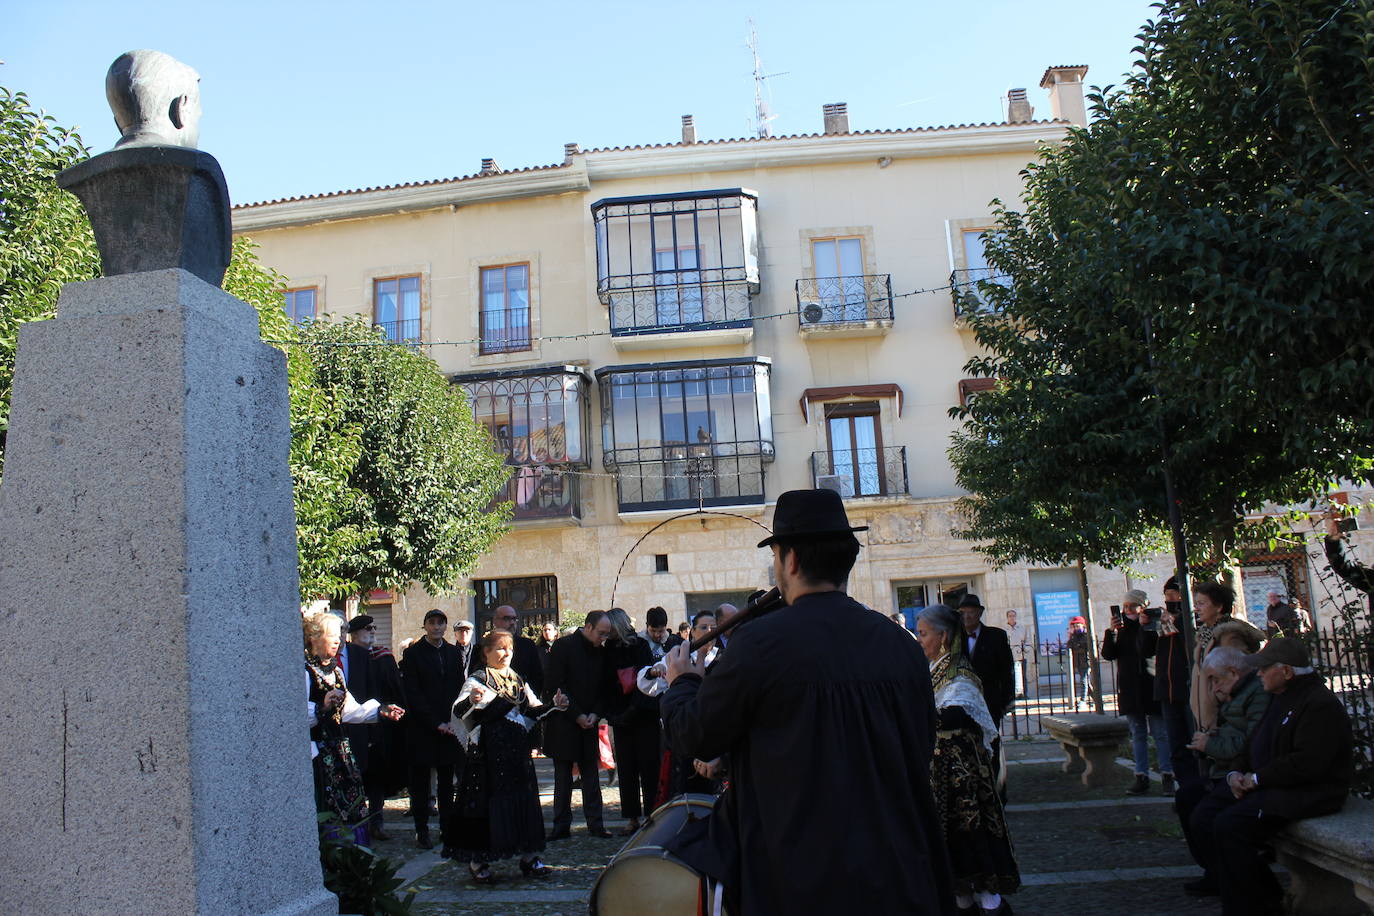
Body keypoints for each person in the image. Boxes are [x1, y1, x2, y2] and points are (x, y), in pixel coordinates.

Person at [661, 488, 952, 915]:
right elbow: (922, 744)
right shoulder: (901, 645)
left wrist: (683, 684)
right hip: (895, 867)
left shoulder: (758, 644)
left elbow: (694, 735)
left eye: (776, 556)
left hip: (795, 873)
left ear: (791, 560)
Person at [1188, 639, 1353, 915]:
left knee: (1230, 825)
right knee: (1205, 813)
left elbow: (1307, 764)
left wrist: (1257, 779)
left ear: (1286, 671)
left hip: (1309, 791)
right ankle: (1252, 896)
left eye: (1265, 668)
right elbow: (1255, 744)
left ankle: (1259, 904)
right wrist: (1236, 774)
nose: (1259, 673)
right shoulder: (1281, 697)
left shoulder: (1317, 704)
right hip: (1273, 782)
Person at [916, 603, 1020, 914]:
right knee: (951, 858)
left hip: (961, 778)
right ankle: (963, 903)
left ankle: (990, 905)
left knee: (969, 843)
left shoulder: (959, 673)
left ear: (943, 636)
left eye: (923, 634)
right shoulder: (936, 670)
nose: (919, 640)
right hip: (941, 775)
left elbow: (954, 717)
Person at [445, 630, 569, 883]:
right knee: (487, 806)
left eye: (509, 649)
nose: (506, 654)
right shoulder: (478, 680)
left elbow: (533, 710)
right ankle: (478, 860)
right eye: (500, 649)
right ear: (486, 652)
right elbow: (459, 710)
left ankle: (529, 857)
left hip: (516, 753)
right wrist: (471, 699)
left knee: (523, 802)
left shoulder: (517, 680)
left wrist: (555, 704)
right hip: (488, 756)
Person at [1177, 645, 1270, 897]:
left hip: (1244, 774)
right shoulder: (1238, 694)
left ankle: (1244, 883)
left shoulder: (1256, 694)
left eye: (1216, 680)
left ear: (1233, 673)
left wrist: (1210, 744)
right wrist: (1212, 738)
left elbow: (1251, 743)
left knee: (1205, 817)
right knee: (1186, 798)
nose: (1214, 688)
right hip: (1230, 770)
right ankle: (1215, 871)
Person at [304, 612, 404, 845]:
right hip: (317, 752)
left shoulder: (335, 672)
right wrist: (322, 706)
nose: (338, 639)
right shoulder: (305, 671)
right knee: (325, 806)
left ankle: (348, 859)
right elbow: (297, 714)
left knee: (349, 806)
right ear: (315, 638)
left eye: (339, 634)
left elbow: (350, 710)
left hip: (339, 750)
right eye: (331, 635)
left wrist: (380, 711)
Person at [543, 611, 614, 840]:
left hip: (589, 720)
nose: (602, 638)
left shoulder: (601, 652)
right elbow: (556, 684)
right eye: (600, 633)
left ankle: (596, 823)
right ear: (588, 627)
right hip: (564, 721)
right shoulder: (563, 646)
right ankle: (561, 824)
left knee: (591, 775)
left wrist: (594, 713)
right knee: (563, 777)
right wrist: (577, 715)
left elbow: (605, 687)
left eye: (606, 634)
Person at [400, 608, 466, 850]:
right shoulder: (413, 654)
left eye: (441, 623)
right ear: (425, 626)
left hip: (448, 727)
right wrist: (433, 721)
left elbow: (459, 688)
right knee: (419, 782)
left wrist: (452, 721)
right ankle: (421, 828)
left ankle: (447, 828)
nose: (437, 627)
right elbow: (413, 693)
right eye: (432, 623)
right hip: (422, 727)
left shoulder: (452, 653)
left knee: (447, 781)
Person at [1102, 589, 1173, 795]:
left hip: (1151, 685)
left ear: (1143, 606)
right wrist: (1110, 633)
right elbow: (1109, 654)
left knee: (1160, 733)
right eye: (1125, 607)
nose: (1128, 610)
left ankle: (1167, 775)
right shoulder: (1121, 628)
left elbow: (1148, 650)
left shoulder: (1152, 624)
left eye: (1132, 606)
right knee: (1138, 734)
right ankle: (1141, 776)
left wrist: (1145, 627)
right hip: (1130, 688)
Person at [342, 614, 406, 840]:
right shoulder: (344, 657)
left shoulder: (383, 657)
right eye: (366, 629)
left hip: (378, 725)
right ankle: (356, 824)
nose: (371, 632)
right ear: (354, 633)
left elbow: (393, 690)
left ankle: (376, 821)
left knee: (377, 775)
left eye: (373, 628)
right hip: (352, 724)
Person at [604, 608, 661, 834]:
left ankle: (651, 813)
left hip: (643, 713)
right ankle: (632, 817)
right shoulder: (607, 649)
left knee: (649, 767)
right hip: (620, 715)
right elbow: (606, 682)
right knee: (626, 768)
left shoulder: (640, 645)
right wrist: (613, 714)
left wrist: (633, 709)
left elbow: (646, 679)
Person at [1189, 583, 1264, 737]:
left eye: (1202, 603)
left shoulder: (1229, 635)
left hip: (1225, 714)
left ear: (1219, 606)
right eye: (1196, 604)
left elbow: (1239, 674)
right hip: (1207, 712)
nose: (1197, 608)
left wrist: (1223, 701)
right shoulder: (1205, 634)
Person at [1153, 578, 1194, 787]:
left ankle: (1196, 783)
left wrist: (1176, 622)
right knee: (1175, 741)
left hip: (1186, 689)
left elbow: (1188, 643)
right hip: (1166, 689)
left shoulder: (1192, 618)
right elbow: (1151, 650)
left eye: (1174, 594)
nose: (1170, 599)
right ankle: (1182, 785)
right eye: (1167, 595)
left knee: (1191, 738)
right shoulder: (1164, 621)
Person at [472, 605, 544, 700]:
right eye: (507, 619)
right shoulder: (481, 647)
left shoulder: (528, 645)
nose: (512, 623)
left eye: (514, 619)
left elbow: (537, 676)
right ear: (495, 621)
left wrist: (527, 700)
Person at [1066, 616, 1092, 708]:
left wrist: (1075, 646)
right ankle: (1096, 699)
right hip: (1078, 662)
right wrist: (1070, 637)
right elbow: (1069, 647)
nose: (1076, 628)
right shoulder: (1074, 636)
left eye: (1078, 626)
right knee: (1086, 682)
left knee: (1083, 681)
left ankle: (1083, 700)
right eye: (1075, 626)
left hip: (1085, 661)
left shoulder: (1086, 636)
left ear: (1082, 625)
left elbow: (1083, 648)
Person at [1004, 609, 1029, 698]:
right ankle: (1013, 694)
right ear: (1007, 617)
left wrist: (1025, 649)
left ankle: (1025, 694)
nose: (1012, 618)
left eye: (1013, 616)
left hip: (1021, 655)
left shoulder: (1022, 628)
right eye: (1010, 616)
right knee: (1011, 676)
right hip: (1010, 656)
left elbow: (1027, 640)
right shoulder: (1004, 630)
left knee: (1023, 676)